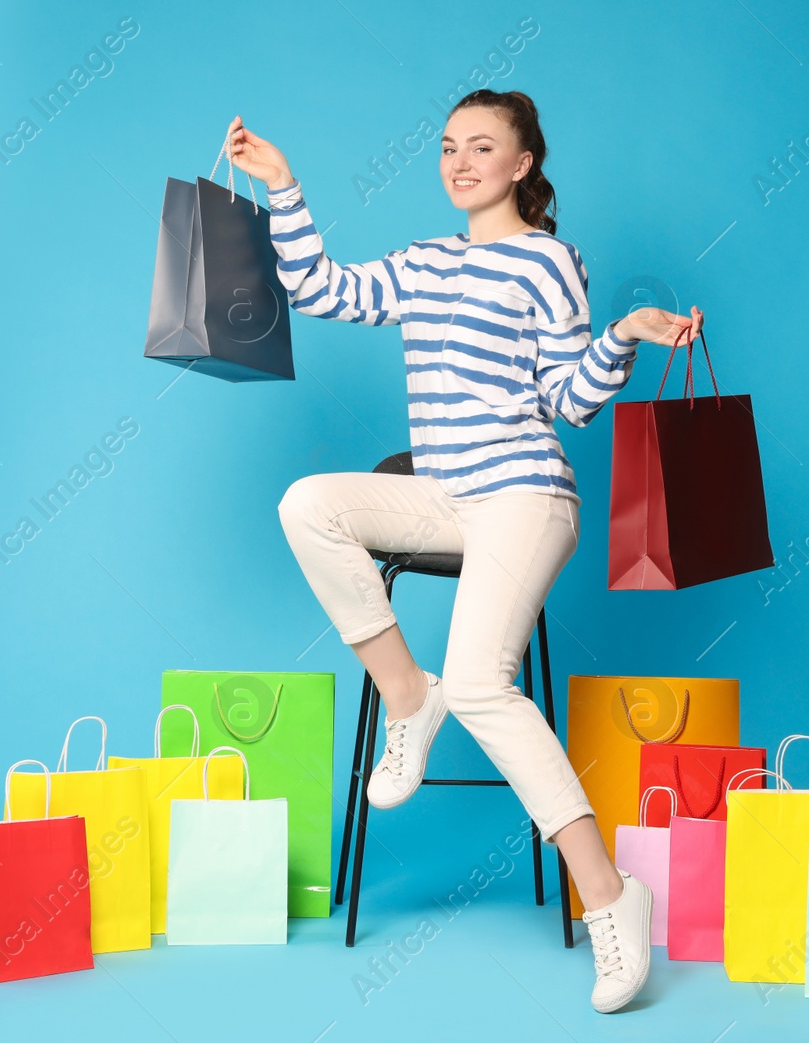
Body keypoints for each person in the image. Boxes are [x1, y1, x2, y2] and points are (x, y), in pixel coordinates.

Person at [224, 89, 702, 1014]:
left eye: (483, 147)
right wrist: (282, 184)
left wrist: (626, 335)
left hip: (528, 494)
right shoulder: (424, 261)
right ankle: (411, 694)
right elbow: (321, 288)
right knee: (306, 503)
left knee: (484, 680)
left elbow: (571, 399)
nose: (461, 161)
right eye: (448, 146)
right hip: (447, 496)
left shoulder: (550, 262)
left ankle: (608, 896)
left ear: (524, 165)